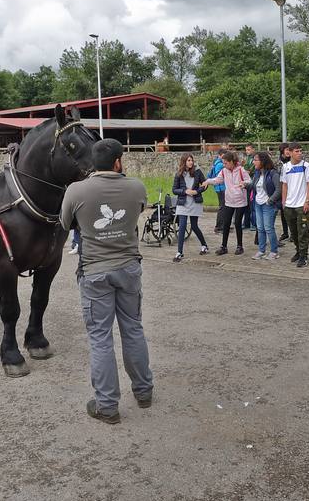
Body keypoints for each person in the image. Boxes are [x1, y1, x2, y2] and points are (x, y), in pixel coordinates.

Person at [59, 138, 153, 424]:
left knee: (100, 338)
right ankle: (143, 391)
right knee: (133, 329)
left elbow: (65, 224)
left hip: (95, 272)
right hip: (128, 268)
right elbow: (137, 212)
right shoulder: (136, 187)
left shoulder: (76, 191)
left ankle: (107, 405)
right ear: (117, 162)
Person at [203, 150, 250, 255]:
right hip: (229, 201)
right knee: (226, 223)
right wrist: (208, 181)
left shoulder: (241, 170)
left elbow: (249, 181)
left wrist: (244, 184)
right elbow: (217, 180)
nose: (224, 165)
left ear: (232, 161)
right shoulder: (224, 171)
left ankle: (239, 246)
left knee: (237, 223)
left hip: (240, 201)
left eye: (226, 163)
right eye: (223, 163)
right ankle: (223, 247)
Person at [171, 153, 209, 262]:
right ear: (184, 162)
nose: (191, 162)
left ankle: (204, 245)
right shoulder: (179, 174)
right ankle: (179, 252)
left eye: (191, 160)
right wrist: (185, 191)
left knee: (194, 226)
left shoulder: (197, 172)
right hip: (183, 203)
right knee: (182, 226)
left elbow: (205, 185)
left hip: (195, 203)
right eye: (188, 160)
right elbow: (174, 190)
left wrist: (197, 191)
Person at [281, 143, 309, 267]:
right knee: (293, 232)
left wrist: (307, 201)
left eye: (301, 151)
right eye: (297, 151)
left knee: (303, 231)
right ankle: (298, 251)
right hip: (289, 205)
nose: (300, 153)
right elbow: (284, 184)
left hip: (301, 205)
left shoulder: (306, 166)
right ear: (290, 152)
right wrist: (284, 202)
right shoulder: (285, 167)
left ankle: (304, 256)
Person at [248, 151, 281, 260]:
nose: (253, 162)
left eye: (256, 160)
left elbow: (279, 189)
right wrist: (245, 185)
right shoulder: (257, 173)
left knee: (268, 228)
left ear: (263, 161)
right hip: (258, 203)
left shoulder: (273, 173)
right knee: (260, 228)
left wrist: (270, 200)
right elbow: (254, 186)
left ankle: (274, 251)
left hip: (268, 205)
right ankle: (261, 251)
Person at [277, 143, 292, 243]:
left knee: (291, 213)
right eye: (286, 150)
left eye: (289, 150)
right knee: (283, 213)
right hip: (281, 188)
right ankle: (285, 232)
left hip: (291, 188)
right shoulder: (278, 163)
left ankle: (293, 233)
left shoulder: (293, 161)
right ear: (282, 151)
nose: (288, 152)